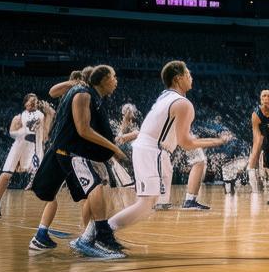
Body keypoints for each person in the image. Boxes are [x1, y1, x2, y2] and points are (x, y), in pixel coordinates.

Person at [94, 61, 231, 243]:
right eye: (188, 74)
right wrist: (218, 141)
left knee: (150, 205)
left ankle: (101, 232)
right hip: (153, 151)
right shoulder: (183, 104)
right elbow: (186, 143)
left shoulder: (164, 96)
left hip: (151, 150)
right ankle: (102, 233)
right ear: (178, 78)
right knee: (146, 204)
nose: (192, 78)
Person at [28, 65, 129, 258]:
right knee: (95, 188)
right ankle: (95, 238)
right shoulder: (83, 93)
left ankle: (78, 236)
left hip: (72, 151)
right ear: (103, 79)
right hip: (71, 152)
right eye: (114, 77)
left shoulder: (93, 97)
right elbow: (83, 130)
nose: (116, 81)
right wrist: (114, 149)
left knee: (89, 193)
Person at [0, 93, 54, 218]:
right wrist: (22, 131)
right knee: (6, 174)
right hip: (19, 145)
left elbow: (45, 137)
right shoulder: (18, 117)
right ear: (25, 103)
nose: (34, 102)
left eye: (36, 100)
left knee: (41, 174)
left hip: (34, 147)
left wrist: (50, 116)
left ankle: (46, 206)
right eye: (31, 100)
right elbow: (11, 133)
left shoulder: (41, 116)